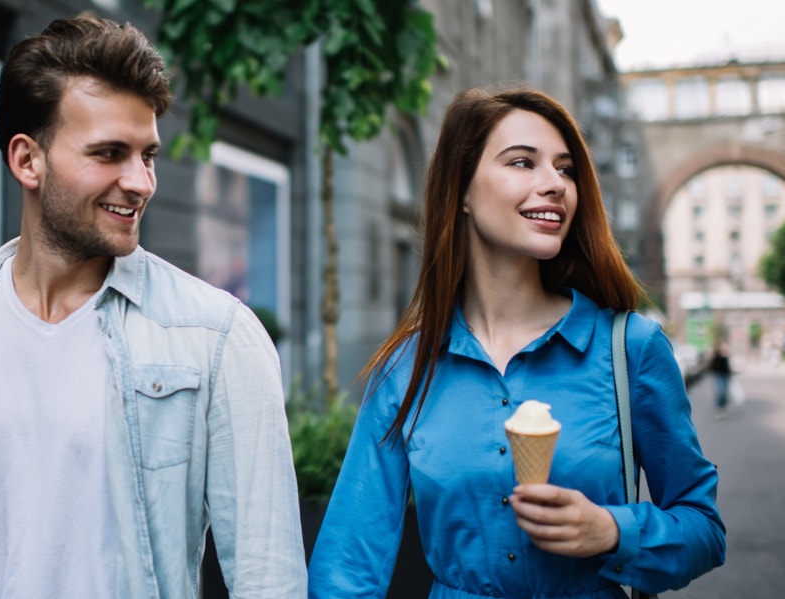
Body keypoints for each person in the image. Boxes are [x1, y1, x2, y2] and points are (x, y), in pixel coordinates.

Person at [0, 15, 306, 598]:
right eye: (110, 153)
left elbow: (270, 579)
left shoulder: (215, 336)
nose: (140, 181)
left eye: (148, 155)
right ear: (26, 160)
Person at [307, 85, 725, 598]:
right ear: (461, 190)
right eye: (523, 163)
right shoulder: (406, 368)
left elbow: (704, 528)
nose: (555, 184)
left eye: (565, 168)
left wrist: (614, 531)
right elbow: (347, 567)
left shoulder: (631, 348)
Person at [708, 341, 732, 418]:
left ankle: (723, 406)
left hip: (725, 376)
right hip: (718, 376)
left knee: (724, 392)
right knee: (719, 392)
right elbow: (712, 366)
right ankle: (719, 408)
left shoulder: (726, 357)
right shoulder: (716, 356)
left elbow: (727, 368)